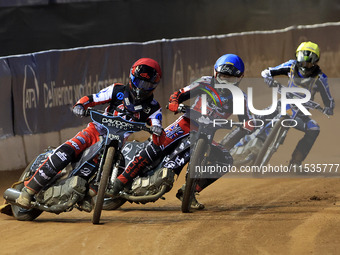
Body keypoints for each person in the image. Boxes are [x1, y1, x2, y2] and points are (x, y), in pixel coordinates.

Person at [108, 54, 254, 209]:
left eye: (230, 79)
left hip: (207, 135)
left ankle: (189, 192)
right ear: (215, 73)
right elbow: (178, 94)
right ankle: (120, 181)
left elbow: (249, 119)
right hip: (185, 125)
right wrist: (174, 103)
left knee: (225, 160)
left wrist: (249, 125)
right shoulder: (205, 83)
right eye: (223, 77)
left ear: (240, 78)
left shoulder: (241, 98)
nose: (225, 82)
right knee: (157, 144)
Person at [16, 57, 164, 208]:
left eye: (147, 84)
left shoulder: (154, 108)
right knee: (67, 151)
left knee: (120, 169)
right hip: (95, 131)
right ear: (132, 78)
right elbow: (93, 98)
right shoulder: (117, 90)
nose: (142, 88)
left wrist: (158, 130)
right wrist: (80, 104)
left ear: (154, 85)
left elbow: (157, 129)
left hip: (117, 144)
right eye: (140, 82)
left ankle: (87, 196)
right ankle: (28, 191)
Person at [261, 41, 334, 167]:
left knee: (314, 128)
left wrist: (329, 108)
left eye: (309, 61)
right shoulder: (290, 65)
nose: (305, 65)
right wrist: (268, 79)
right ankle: (237, 142)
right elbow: (267, 72)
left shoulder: (320, 78)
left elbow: (329, 99)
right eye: (302, 60)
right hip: (283, 104)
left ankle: (296, 162)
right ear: (297, 57)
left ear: (315, 62)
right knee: (256, 118)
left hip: (301, 113)